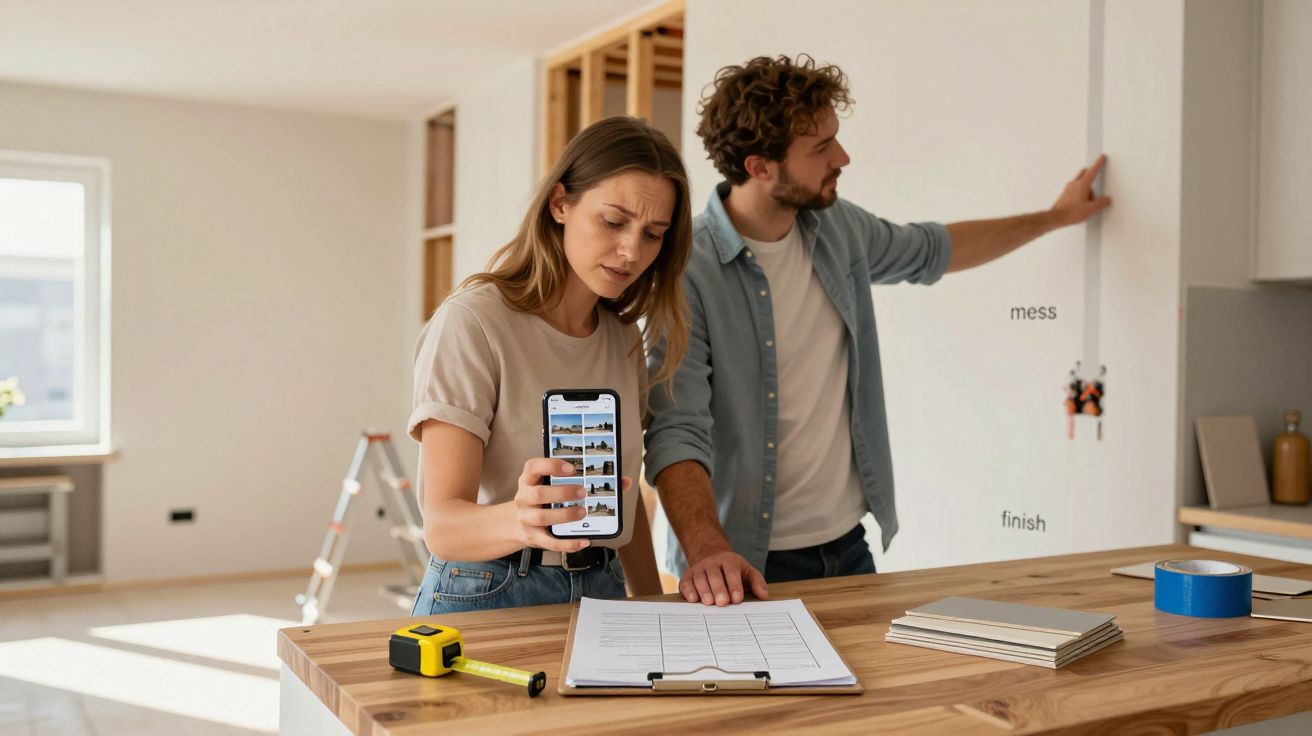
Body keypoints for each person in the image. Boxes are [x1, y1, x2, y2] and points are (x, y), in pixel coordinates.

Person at [644, 55, 1112, 606]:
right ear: (761, 166)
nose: (843, 157)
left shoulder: (837, 228)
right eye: (820, 148)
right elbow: (677, 429)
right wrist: (707, 552)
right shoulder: (688, 268)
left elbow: (934, 249)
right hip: (743, 564)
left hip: (849, 548)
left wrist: (1054, 218)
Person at [408, 116, 691, 614]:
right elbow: (442, 527)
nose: (632, 250)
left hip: (602, 585)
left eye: (653, 233)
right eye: (613, 221)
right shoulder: (472, 322)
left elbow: (621, 505)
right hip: (487, 589)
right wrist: (522, 519)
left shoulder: (623, 339)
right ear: (560, 203)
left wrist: (651, 605)